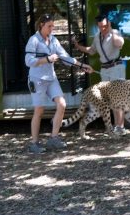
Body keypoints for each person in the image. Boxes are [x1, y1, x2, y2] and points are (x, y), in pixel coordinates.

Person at [25, 13, 93, 153]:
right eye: (49, 26)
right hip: (37, 79)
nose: (52, 29)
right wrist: (47, 59)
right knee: (39, 110)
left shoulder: (53, 40)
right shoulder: (34, 40)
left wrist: (82, 65)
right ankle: (34, 143)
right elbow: (28, 61)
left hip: (51, 78)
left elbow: (65, 57)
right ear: (41, 25)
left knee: (62, 104)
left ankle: (53, 139)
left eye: (53, 26)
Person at [73, 12, 127, 135]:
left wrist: (111, 30)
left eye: (104, 26)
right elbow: (91, 51)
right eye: (100, 26)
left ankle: (121, 126)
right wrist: (78, 47)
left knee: (119, 98)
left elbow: (119, 44)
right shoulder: (98, 36)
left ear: (108, 23)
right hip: (104, 70)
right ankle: (116, 126)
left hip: (116, 67)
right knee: (111, 99)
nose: (102, 29)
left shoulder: (115, 33)